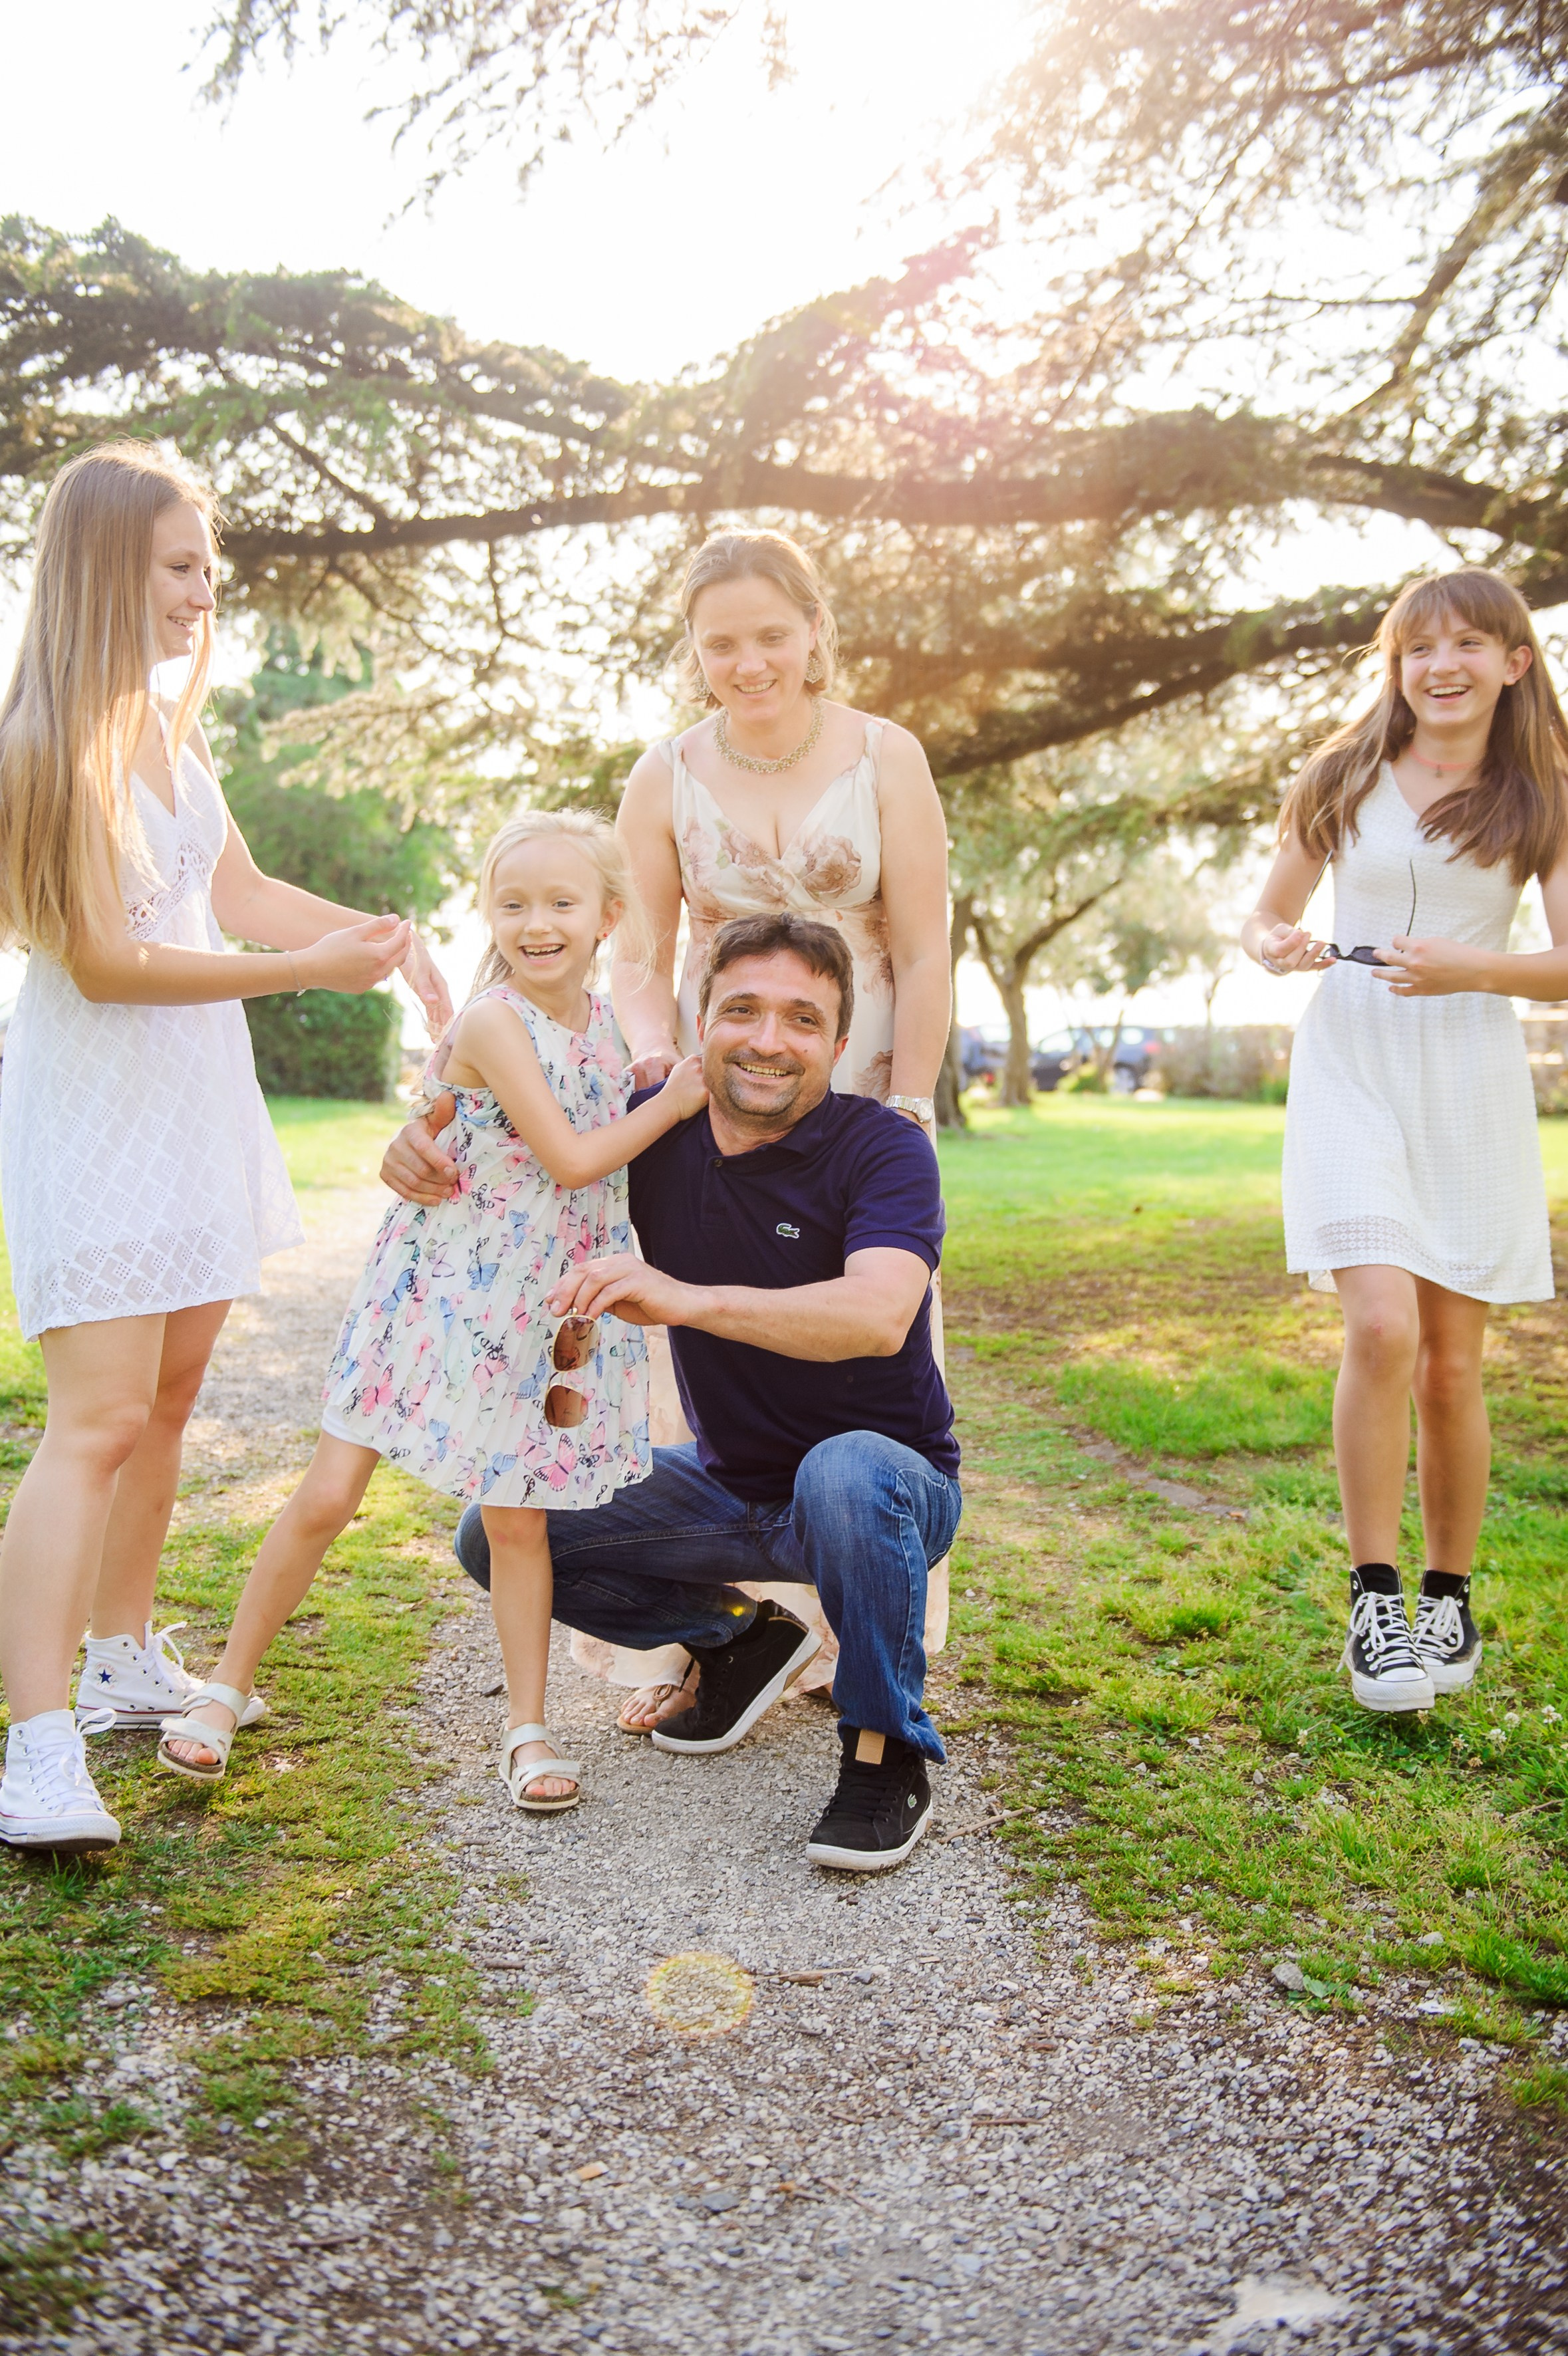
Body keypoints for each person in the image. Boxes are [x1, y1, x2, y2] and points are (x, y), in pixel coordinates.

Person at [0, 441, 450, 1855]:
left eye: (210, 568)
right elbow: (112, 960)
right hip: (96, 1102)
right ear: (104, 568)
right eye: (184, 564)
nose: (207, 591)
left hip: (194, 1097)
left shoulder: (171, 731)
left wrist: (376, 935)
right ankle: (33, 1745)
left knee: (174, 1396)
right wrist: (300, 976)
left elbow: (236, 889)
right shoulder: (38, 744)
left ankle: (122, 1654)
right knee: (97, 1418)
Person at [384, 911, 962, 1873]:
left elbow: (875, 1316)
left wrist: (689, 1302)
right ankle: (734, 1639)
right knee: (498, 1532)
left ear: (838, 1042)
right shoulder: (653, 1131)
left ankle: (883, 1749)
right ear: (703, 1022)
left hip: (886, 1493)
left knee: (847, 1468)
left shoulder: (882, 1149)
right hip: (728, 1483)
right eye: (741, 1010)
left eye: (800, 1019)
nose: (767, 1041)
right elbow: (511, 1143)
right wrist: (414, 1142)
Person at [156, 811, 708, 1810]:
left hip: (535, 1310)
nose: (534, 923)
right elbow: (573, 1159)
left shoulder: (610, 1023)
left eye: (559, 903)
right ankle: (224, 1692)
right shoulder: (496, 1020)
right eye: (512, 904)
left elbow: (599, 1167)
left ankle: (528, 1735)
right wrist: (674, 1101)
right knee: (329, 1493)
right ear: (488, 916)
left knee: (518, 1525)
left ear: (606, 917)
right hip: (437, 1295)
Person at [608, 527, 954, 1733]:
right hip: (718, 1067)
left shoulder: (884, 753)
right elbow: (641, 956)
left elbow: (917, 947)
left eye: (768, 636)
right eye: (720, 645)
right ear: (694, 652)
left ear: (812, 630)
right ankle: (705, 1623)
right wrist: (663, 1062)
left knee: (860, 1330)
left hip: (847, 1063)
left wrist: (903, 1101)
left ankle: (868, 1611)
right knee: (685, 1324)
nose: (747, 663)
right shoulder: (664, 769)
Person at [1243, 567, 1568, 1715]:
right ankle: (1372, 1599)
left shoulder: (1542, 793)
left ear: (1513, 665)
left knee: (1449, 1363)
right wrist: (1277, 943)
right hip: (1351, 1065)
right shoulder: (1341, 774)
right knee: (1379, 1326)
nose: (1441, 666)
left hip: (1468, 1077)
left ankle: (1447, 1595)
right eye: (1419, 646)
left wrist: (1469, 966)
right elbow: (1264, 914)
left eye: (1469, 645)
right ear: (1397, 663)